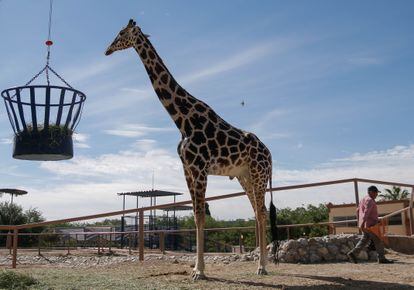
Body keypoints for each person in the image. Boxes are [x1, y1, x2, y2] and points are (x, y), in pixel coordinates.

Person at [347, 185, 394, 264]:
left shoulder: (363, 199)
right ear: (370, 192)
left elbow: (357, 210)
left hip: (366, 225)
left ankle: (353, 253)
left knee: (364, 240)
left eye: (377, 192)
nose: (376, 194)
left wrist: (360, 223)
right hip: (371, 225)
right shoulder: (370, 200)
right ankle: (381, 258)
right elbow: (366, 213)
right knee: (378, 240)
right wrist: (361, 224)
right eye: (375, 192)